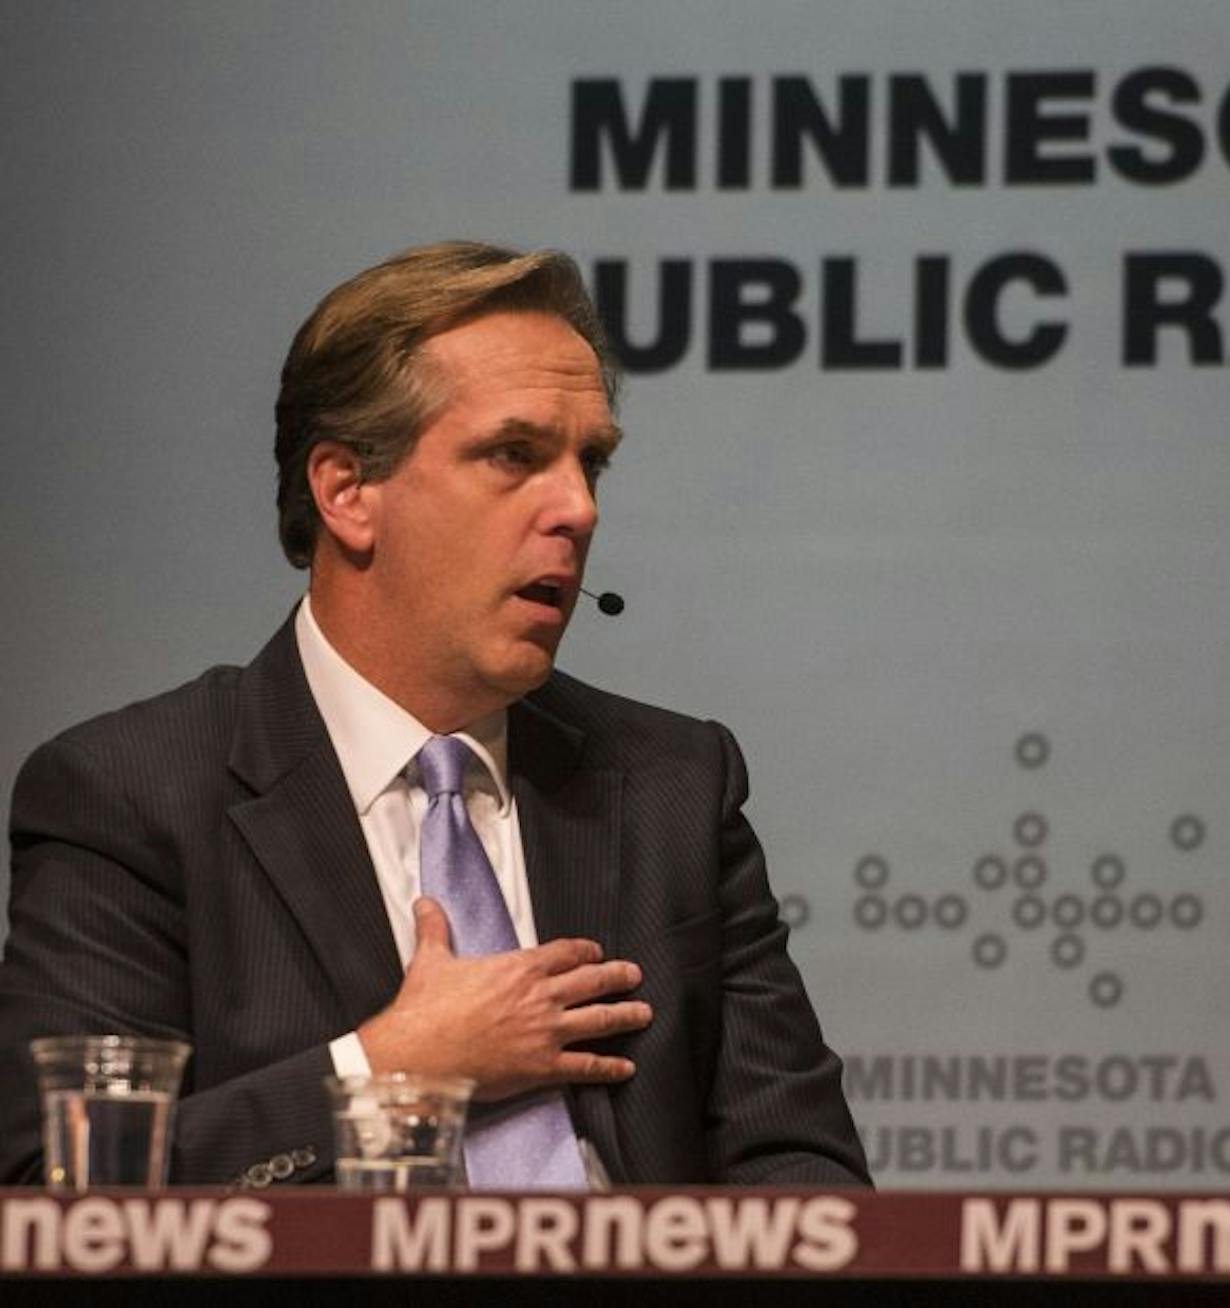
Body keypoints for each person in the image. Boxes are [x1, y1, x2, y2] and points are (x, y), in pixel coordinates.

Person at [0, 241, 869, 1189]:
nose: (577, 508)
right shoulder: (133, 794)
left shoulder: (673, 787)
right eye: (515, 455)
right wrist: (388, 1071)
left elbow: (803, 1173)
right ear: (347, 491)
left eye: (591, 466)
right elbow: (60, 1183)